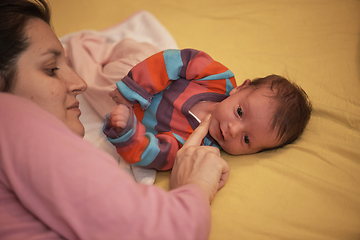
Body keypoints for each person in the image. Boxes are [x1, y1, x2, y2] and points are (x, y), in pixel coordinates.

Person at [0, 0, 230, 239]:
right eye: (50, 69)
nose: (80, 83)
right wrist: (197, 183)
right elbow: (169, 230)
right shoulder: (13, 122)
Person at [103, 49, 312, 170]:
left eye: (247, 140)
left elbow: (157, 153)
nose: (233, 130)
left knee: (93, 84)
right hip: (142, 68)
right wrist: (133, 90)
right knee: (122, 47)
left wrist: (128, 132)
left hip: (119, 104)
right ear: (240, 88)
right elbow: (178, 60)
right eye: (240, 112)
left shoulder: (198, 147)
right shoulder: (218, 78)